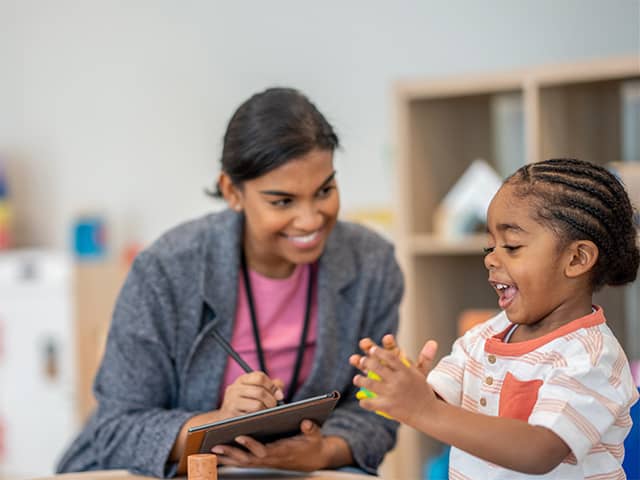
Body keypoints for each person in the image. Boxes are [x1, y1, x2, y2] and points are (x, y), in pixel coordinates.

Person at [57, 87, 403, 477]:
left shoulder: (372, 264)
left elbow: (374, 411)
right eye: (282, 202)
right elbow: (116, 430)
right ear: (231, 192)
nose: (310, 220)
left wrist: (323, 452)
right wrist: (217, 422)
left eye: (325, 191)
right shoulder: (167, 269)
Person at [351, 158, 640, 479]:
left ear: (576, 258)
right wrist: (406, 388)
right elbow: (440, 404)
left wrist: (424, 409)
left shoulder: (592, 358)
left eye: (512, 246)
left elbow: (539, 451)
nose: (490, 258)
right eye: (490, 246)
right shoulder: (486, 335)